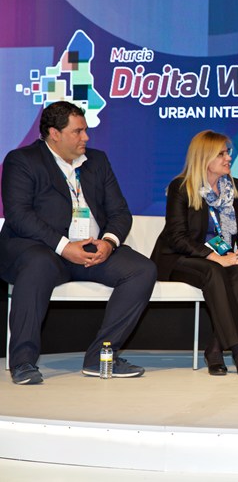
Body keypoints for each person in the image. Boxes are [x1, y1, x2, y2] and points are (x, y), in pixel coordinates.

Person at [0, 101, 156, 385]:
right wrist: (64, 247)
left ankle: (100, 357)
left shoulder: (97, 161)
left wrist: (108, 242)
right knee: (37, 265)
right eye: (78, 131)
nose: (86, 137)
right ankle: (23, 362)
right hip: (43, 249)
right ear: (54, 134)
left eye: (85, 130)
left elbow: (120, 212)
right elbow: (19, 216)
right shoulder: (22, 160)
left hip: (92, 250)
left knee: (142, 270)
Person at [151, 130, 238, 377]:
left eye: (228, 152)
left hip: (220, 258)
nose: (228, 158)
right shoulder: (181, 187)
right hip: (179, 258)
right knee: (213, 270)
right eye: (221, 154)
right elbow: (177, 237)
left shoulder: (236, 188)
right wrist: (215, 257)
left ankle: (215, 348)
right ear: (204, 158)